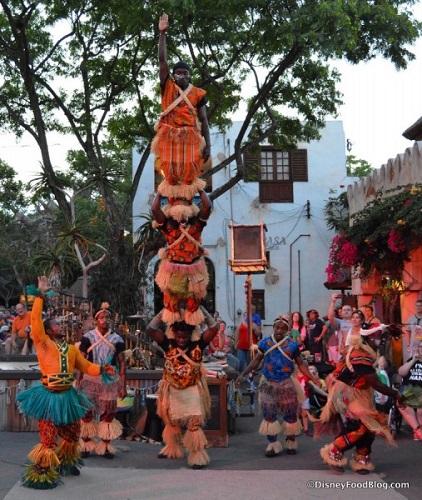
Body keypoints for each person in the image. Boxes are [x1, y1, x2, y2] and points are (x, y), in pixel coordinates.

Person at [15, 276, 116, 489]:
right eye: (57, 324)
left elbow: (86, 366)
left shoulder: (71, 349)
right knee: (49, 437)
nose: (61, 325)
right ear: (49, 330)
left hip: (68, 396)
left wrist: (102, 369)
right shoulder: (43, 344)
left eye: (60, 324)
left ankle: (67, 463)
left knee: (72, 434)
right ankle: (42, 472)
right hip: (49, 397)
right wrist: (40, 296)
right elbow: (35, 323)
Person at [319, 310, 405, 474]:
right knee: (358, 426)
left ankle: (362, 458)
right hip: (350, 394)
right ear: (369, 337)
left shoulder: (367, 352)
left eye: (383, 338)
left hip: (363, 393)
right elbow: (377, 384)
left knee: (369, 428)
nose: (381, 341)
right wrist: (397, 394)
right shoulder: (360, 355)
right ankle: (334, 451)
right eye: (379, 338)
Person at [236, 315, 320, 457]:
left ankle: (290, 441)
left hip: (286, 384)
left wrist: (312, 378)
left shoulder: (293, 345)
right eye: (277, 327)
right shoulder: (265, 343)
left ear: (287, 330)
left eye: (283, 328)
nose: (279, 330)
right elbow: (256, 360)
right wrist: (243, 374)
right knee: (269, 415)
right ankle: (272, 443)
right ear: (273, 328)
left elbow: (300, 364)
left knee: (290, 415)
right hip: (268, 384)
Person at [146, 306, 219, 469]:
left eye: (185, 337)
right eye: (178, 337)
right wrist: (164, 310)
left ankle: (197, 455)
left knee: (194, 424)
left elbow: (214, 328)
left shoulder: (199, 345)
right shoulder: (168, 344)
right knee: (171, 421)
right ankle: (172, 448)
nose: (181, 340)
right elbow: (150, 329)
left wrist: (201, 310)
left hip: (193, 390)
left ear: (191, 334)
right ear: (173, 334)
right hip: (172, 389)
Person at [152, 13, 211, 193]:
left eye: (185, 73)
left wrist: (208, 144)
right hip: (169, 136)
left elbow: (204, 121)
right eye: (178, 73)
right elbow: (162, 61)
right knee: (170, 175)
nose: (182, 76)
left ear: (189, 75)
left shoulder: (198, 93)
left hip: (190, 136)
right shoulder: (167, 86)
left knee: (188, 176)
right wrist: (162, 34)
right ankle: (170, 207)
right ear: (174, 75)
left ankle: (188, 211)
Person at [151, 189, 211, 325]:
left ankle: (193, 332)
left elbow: (207, 206)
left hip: (193, 271)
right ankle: (173, 333)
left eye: (184, 214)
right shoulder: (168, 226)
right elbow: (155, 209)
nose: (182, 218)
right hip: (173, 271)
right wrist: (160, 192)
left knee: (194, 306)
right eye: (178, 214)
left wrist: (200, 189)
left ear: (190, 212)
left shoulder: (196, 225)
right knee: (171, 305)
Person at [77, 302, 127, 459]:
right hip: (89, 379)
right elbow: (81, 360)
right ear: (95, 320)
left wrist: (122, 386)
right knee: (86, 412)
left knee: (108, 413)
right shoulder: (88, 337)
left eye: (107, 317)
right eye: (101, 317)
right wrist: (78, 380)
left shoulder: (117, 338)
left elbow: (122, 363)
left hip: (109, 380)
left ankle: (105, 445)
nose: (105, 320)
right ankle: (86, 444)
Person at [397, 340, 422, 440]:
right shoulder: (411, 360)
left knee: (420, 409)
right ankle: (417, 429)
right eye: (420, 347)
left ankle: (419, 430)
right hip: (408, 390)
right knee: (401, 401)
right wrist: (412, 361)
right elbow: (401, 373)